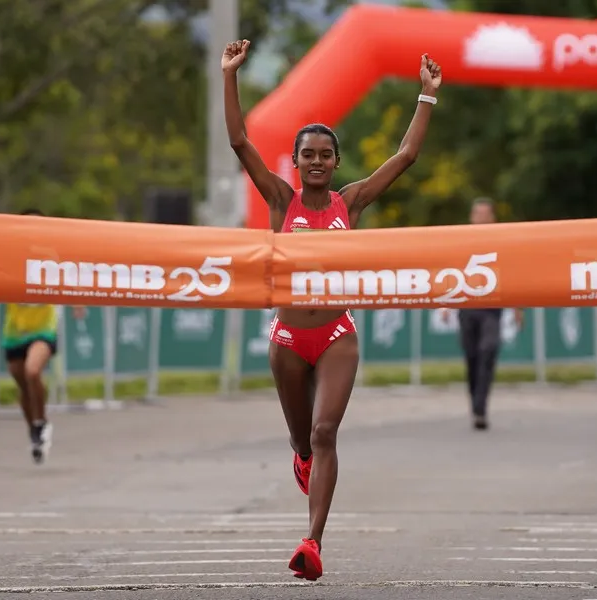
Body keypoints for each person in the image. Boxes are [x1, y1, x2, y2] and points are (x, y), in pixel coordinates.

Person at [222, 39, 441, 580]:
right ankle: (302, 459)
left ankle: (312, 543)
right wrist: (230, 75)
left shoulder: (352, 201)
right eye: (308, 155)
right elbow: (239, 141)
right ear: (296, 162)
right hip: (288, 343)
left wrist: (427, 96)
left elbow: (406, 157)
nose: (317, 161)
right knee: (304, 441)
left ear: (337, 162)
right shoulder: (281, 200)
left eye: (325, 155)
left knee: (325, 434)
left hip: (337, 335)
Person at [1, 208, 84, 464]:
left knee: (32, 371)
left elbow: (68, 277)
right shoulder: (10, 254)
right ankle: (35, 431)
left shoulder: (50, 255)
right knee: (22, 384)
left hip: (43, 327)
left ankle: (41, 421)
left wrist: (76, 301)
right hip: (15, 330)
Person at [439, 198, 523, 431]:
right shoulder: (462, 242)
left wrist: (517, 307)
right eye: (477, 214)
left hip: (492, 309)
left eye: (485, 214)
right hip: (467, 307)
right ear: (471, 217)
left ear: (493, 218)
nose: (481, 218)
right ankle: (476, 404)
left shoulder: (500, 243)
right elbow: (452, 272)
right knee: (472, 357)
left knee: (488, 350)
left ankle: (480, 407)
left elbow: (509, 275)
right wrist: (445, 304)